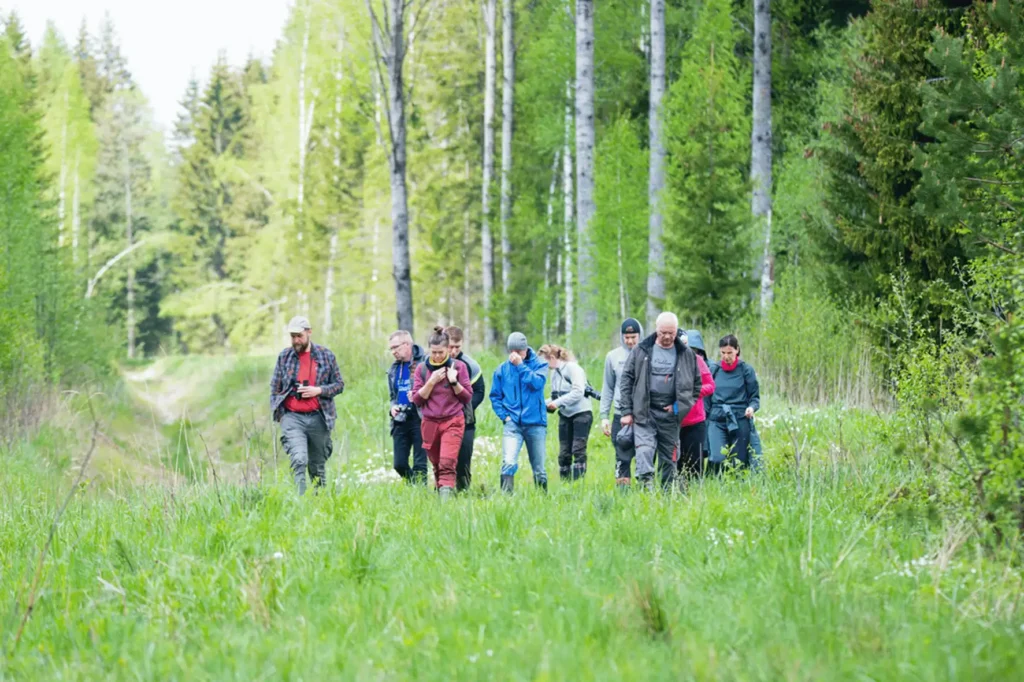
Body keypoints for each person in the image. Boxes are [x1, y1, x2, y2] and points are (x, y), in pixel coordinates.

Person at [619, 312, 701, 491]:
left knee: (669, 461)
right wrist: (626, 411)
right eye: (663, 332)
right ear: (656, 329)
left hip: (670, 417)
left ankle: (665, 499)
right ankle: (645, 495)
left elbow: (696, 386)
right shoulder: (641, 350)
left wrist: (679, 406)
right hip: (644, 413)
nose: (667, 337)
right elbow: (626, 379)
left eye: (671, 333)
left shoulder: (687, 355)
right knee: (644, 453)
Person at [270, 315, 345, 494]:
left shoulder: (326, 356)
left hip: (318, 416)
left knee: (317, 465)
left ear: (309, 332)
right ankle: (301, 500)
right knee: (299, 459)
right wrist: (279, 413)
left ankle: (319, 502)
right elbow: (275, 386)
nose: (296, 340)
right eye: (293, 336)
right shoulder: (285, 357)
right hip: (292, 416)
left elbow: (339, 385)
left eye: (299, 336)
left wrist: (318, 390)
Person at [411, 326, 473, 499]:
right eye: (434, 352)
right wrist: (430, 382)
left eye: (440, 352)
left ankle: (446, 503)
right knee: (437, 463)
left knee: (447, 462)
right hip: (429, 422)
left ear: (447, 349)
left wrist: (454, 382)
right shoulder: (422, 369)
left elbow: (467, 397)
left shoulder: (459, 367)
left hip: (453, 420)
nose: (437, 356)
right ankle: (443, 496)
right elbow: (417, 399)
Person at [490, 332, 549, 493]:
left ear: (525, 350)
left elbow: (537, 384)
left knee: (539, 469)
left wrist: (521, 366)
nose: (514, 355)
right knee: (508, 462)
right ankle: (506, 500)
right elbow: (495, 396)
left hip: (536, 423)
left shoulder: (540, 365)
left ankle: (542, 500)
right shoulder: (502, 370)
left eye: (518, 351)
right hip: (513, 423)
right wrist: (505, 417)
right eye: (511, 351)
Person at [538, 344, 593, 481]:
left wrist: (556, 404)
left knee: (578, 449)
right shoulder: (554, 374)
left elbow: (578, 392)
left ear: (551, 357)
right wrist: (541, 403)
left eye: (543, 362)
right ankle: (565, 484)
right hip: (565, 415)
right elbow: (556, 396)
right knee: (563, 453)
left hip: (581, 413)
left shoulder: (573, 368)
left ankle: (578, 484)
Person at [600, 318, 643, 488]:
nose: (630, 341)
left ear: (640, 335)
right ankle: (623, 493)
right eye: (627, 337)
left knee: (644, 453)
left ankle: (644, 489)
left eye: (634, 337)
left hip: (643, 414)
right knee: (622, 455)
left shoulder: (648, 353)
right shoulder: (613, 357)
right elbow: (608, 388)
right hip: (621, 414)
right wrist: (604, 416)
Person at [707, 334, 761, 469]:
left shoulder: (746, 370)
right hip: (717, 418)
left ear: (737, 350)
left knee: (738, 463)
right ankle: (715, 486)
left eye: (730, 353)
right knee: (717, 458)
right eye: (723, 353)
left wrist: (751, 408)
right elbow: (706, 397)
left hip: (739, 419)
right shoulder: (714, 370)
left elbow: (754, 398)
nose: (726, 356)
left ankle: (735, 488)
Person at [445, 325, 486, 492]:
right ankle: (444, 490)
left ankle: (464, 491)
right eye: (450, 347)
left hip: (466, 421)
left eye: (457, 347)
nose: (454, 351)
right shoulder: (434, 362)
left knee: (463, 458)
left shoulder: (470, 365)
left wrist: (465, 407)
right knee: (445, 458)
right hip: (442, 420)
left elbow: (480, 391)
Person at [387, 330, 428, 483]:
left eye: (396, 347)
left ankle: (421, 496)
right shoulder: (393, 369)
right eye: (391, 348)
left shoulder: (424, 362)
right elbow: (392, 396)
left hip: (420, 417)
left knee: (420, 464)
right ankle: (414, 486)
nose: (393, 352)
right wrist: (392, 408)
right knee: (399, 464)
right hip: (400, 419)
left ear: (407, 344)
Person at [677, 330, 716, 478]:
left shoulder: (697, 360)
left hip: (695, 421)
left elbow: (710, 385)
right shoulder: (667, 361)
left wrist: (694, 391)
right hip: (673, 420)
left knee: (694, 466)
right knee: (676, 464)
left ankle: (696, 497)